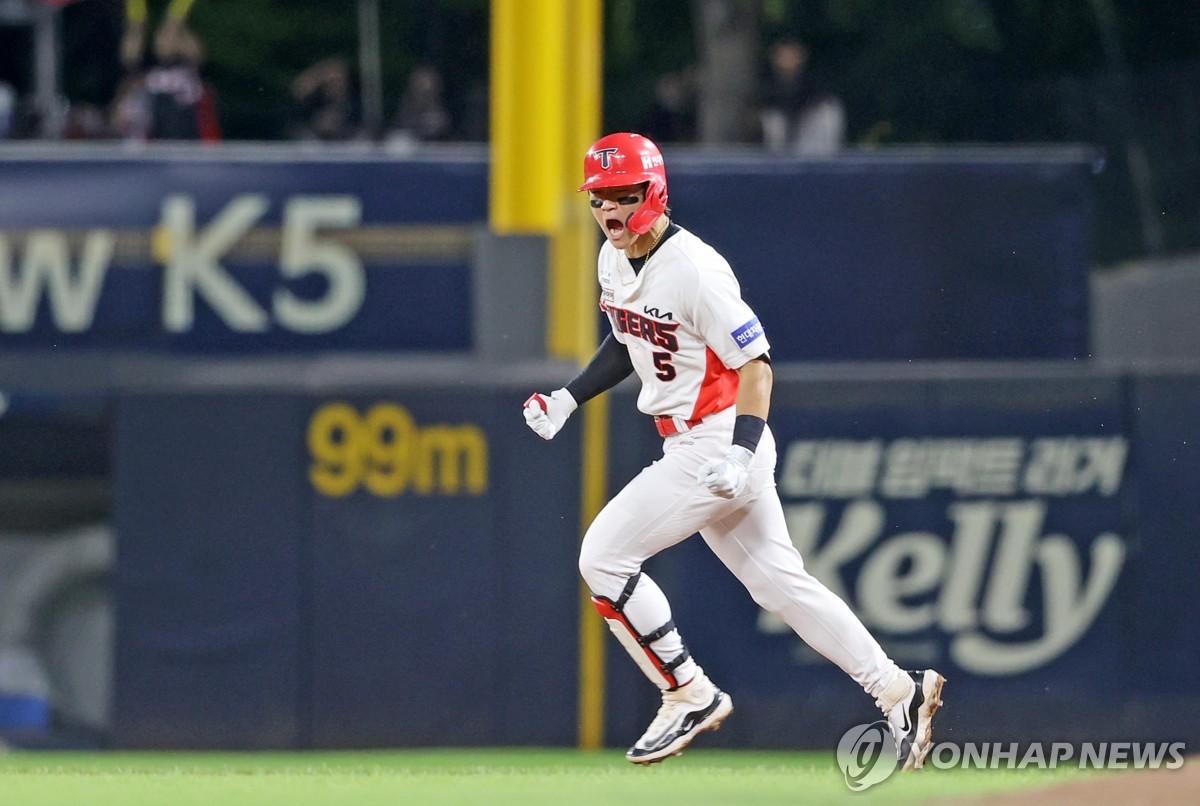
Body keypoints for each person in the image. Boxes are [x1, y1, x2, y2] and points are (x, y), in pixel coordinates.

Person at [522, 132, 945, 767]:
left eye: (622, 195)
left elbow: (758, 366)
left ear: (654, 191)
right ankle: (898, 689)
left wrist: (742, 454)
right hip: (697, 443)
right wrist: (569, 397)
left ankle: (687, 692)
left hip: (718, 440)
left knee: (604, 557)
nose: (609, 210)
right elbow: (627, 340)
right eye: (599, 197)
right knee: (782, 586)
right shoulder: (615, 260)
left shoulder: (693, 268)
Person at [760, 38, 845, 155]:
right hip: (777, 163)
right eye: (782, 56)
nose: (787, 61)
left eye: (791, 56)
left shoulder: (822, 99)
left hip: (813, 159)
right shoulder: (765, 94)